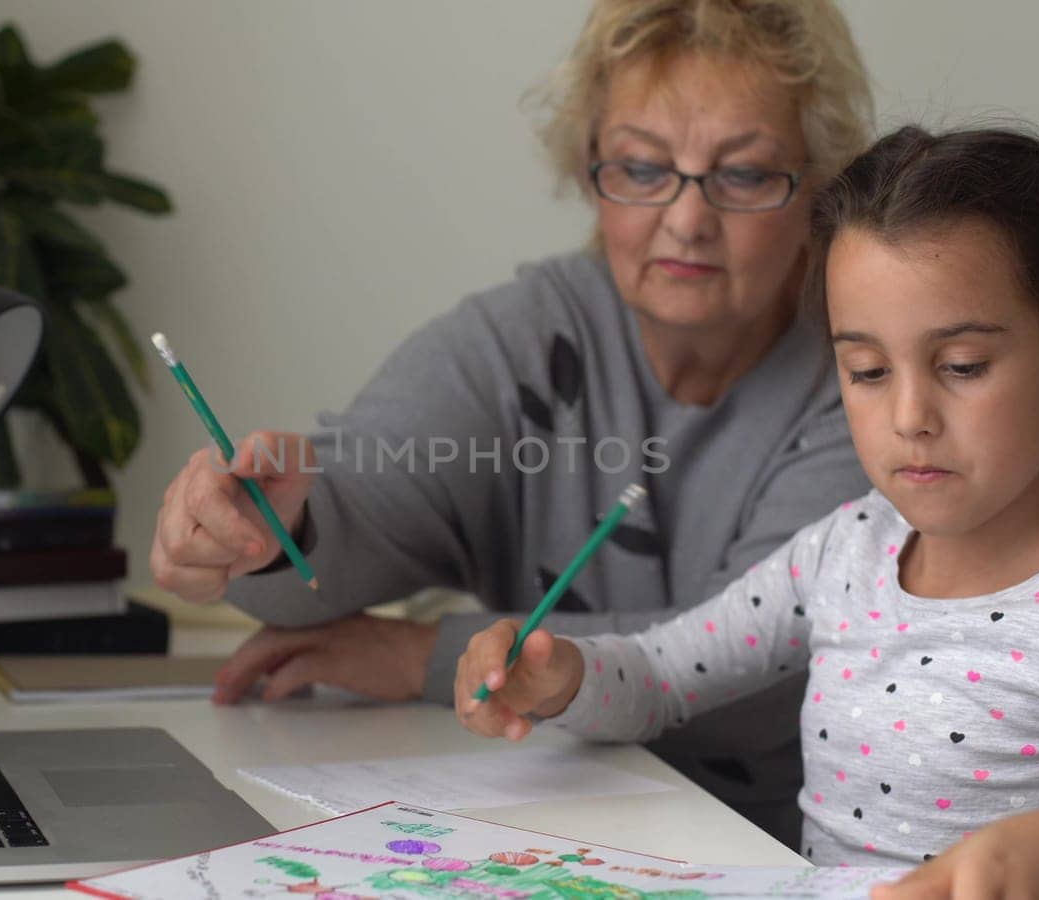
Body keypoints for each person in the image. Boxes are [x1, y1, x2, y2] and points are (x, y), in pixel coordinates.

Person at [151, 0, 874, 847]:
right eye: (641, 168)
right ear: (589, 166)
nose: (685, 219)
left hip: (767, 857)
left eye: (743, 176)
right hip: (548, 833)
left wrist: (416, 657)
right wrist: (264, 530)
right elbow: (356, 509)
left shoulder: (868, 371)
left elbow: (762, 675)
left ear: (817, 187)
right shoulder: (523, 340)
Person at [453, 124, 1039, 898]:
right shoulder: (846, 549)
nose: (910, 415)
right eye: (866, 370)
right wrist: (558, 678)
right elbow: (661, 675)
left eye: (962, 365)